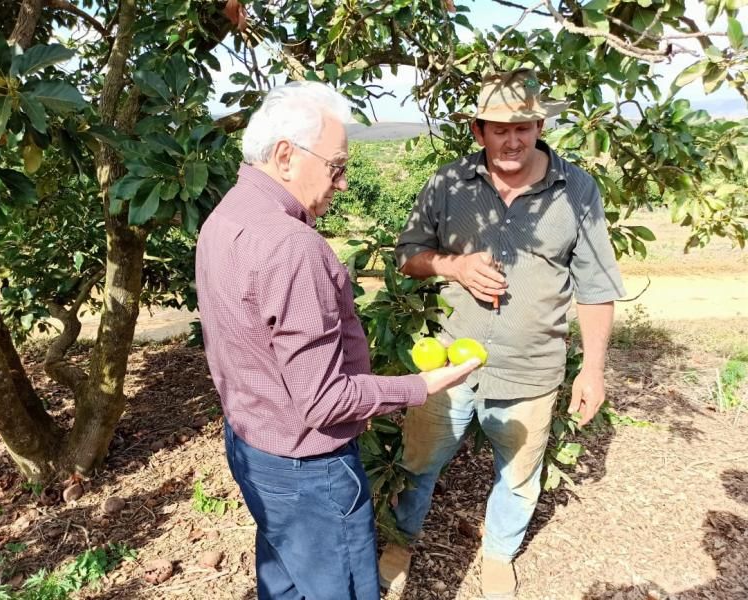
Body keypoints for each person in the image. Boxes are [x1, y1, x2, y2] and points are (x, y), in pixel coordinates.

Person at [195, 81, 481, 600]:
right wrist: (421, 385)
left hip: (252, 444)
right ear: (286, 156)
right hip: (308, 471)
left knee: (282, 576)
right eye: (337, 166)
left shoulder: (227, 216)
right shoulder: (293, 247)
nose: (344, 183)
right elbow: (324, 401)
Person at [379, 69, 626, 599]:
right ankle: (401, 541)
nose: (511, 140)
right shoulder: (448, 184)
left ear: (539, 126)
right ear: (477, 131)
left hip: (531, 365)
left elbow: (596, 285)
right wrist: (453, 266)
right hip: (449, 362)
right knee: (418, 462)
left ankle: (498, 555)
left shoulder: (576, 190)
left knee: (517, 476)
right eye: (498, 129)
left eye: (523, 128)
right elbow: (407, 257)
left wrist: (594, 369)